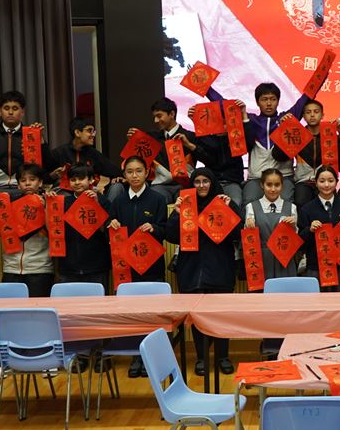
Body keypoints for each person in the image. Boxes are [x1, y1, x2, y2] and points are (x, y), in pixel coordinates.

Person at [165, 168, 241, 376]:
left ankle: (223, 357)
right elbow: (170, 236)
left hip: (220, 268)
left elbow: (238, 233)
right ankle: (201, 357)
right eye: (197, 181)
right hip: (192, 270)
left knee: (221, 317)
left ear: (212, 183)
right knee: (197, 318)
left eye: (205, 181)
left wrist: (230, 208)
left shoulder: (222, 202)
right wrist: (176, 214)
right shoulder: (185, 205)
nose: (201, 186)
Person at [244, 168, 299, 358]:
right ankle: (268, 346)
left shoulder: (291, 207)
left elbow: (296, 238)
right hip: (263, 261)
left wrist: (293, 227)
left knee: (286, 305)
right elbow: (247, 239)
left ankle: (288, 346)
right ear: (262, 185)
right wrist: (248, 227)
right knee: (266, 307)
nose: (273, 189)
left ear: (282, 186)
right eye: (269, 185)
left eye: (277, 185)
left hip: (285, 260)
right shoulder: (251, 207)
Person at [107, 155, 169, 284]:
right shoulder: (118, 201)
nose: (134, 176)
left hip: (152, 265)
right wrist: (112, 223)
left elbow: (165, 230)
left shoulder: (158, 199)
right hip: (126, 266)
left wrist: (153, 228)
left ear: (146, 173)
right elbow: (109, 228)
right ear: (124, 175)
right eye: (130, 172)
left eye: (139, 171)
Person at [0, 163, 54, 298]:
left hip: (40, 268)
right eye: (23, 180)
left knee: (38, 308)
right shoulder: (10, 203)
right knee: (11, 309)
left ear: (40, 182)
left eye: (32, 179)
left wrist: (46, 208)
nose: (28, 183)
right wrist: (0, 210)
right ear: (18, 185)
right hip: (11, 267)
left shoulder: (49, 202)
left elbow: (54, 232)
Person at [298, 165, 340, 291]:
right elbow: (300, 242)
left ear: (337, 182)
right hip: (316, 267)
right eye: (322, 181)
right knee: (317, 303)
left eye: (330, 181)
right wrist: (309, 230)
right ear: (316, 183)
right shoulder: (307, 209)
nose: (326, 185)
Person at [56, 164, 112, 289]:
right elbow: (55, 230)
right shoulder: (63, 203)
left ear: (91, 180)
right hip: (69, 266)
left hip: (97, 266)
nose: (77, 183)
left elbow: (105, 230)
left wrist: (96, 204)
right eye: (73, 179)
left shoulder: (103, 201)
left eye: (81, 179)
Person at [142, 97, 200, 203]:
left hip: (185, 185)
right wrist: (134, 139)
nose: (156, 121)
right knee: (154, 197)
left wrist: (190, 145)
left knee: (187, 200)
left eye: (159, 116)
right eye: (154, 117)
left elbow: (206, 157)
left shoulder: (190, 136)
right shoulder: (151, 138)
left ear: (172, 114)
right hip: (160, 186)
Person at [0, 90, 46, 189]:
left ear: (22, 112)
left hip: (24, 188)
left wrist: (41, 142)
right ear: (0, 112)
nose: (10, 112)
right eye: (6, 108)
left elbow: (47, 164)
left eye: (15, 108)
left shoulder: (30, 135)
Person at [48, 117, 120, 187]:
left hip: (88, 192)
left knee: (117, 186)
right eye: (89, 131)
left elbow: (115, 171)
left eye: (94, 132)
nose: (93, 135)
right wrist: (52, 176)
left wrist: (118, 178)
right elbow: (44, 178)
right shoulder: (59, 152)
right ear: (77, 133)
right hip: (64, 192)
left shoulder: (94, 154)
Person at [291, 98, 333, 207]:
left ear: (322, 115)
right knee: (300, 202)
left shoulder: (329, 136)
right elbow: (278, 156)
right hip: (303, 181)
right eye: (308, 112)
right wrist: (284, 129)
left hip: (325, 181)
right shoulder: (297, 135)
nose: (312, 115)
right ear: (303, 116)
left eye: (316, 112)